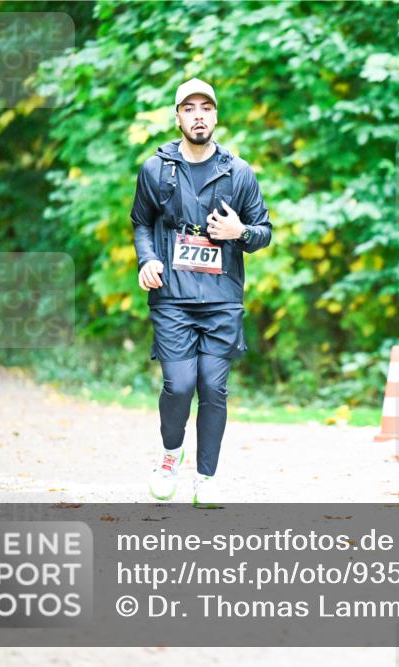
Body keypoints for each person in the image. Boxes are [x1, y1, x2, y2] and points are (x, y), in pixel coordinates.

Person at [129, 78, 272, 507]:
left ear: (215, 116)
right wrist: (147, 259)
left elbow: (264, 231)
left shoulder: (239, 172)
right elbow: (141, 222)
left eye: (205, 108)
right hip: (172, 295)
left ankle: (206, 478)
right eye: (189, 109)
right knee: (179, 385)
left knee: (213, 387)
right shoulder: (156, 170)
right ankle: (170, 456)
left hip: (222, 297)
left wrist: (239, 231)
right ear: (178, 118)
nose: (198, 116)